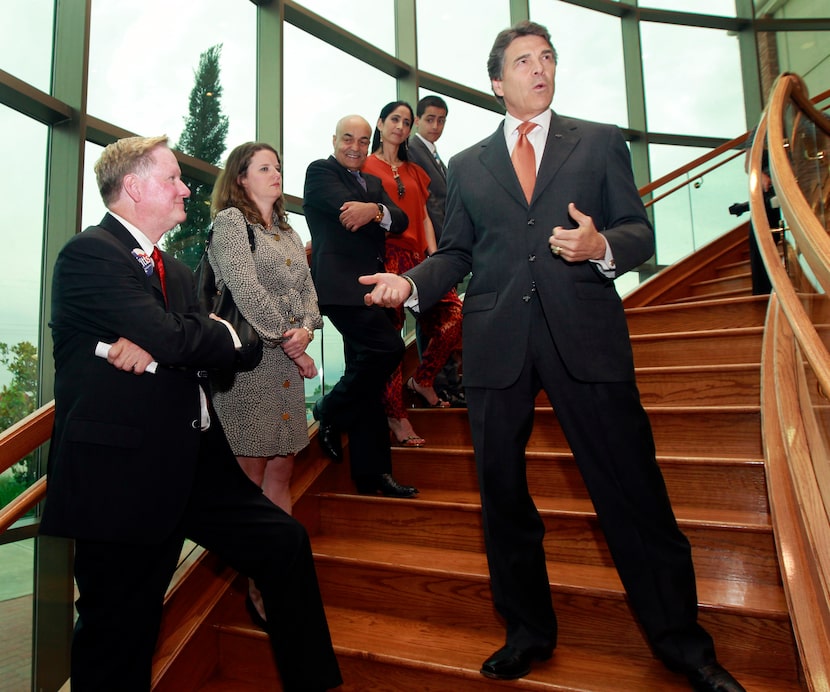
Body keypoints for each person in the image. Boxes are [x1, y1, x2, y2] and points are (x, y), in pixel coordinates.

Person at [359, 21, 744, 692]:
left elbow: (638, 232)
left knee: (633, 491)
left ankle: (684, 645)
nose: (539, 68)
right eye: (522, 61)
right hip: (497, 343)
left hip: (585, 336)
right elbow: (456, 250)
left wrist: (601, 248)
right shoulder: (471, 164)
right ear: (496, 82)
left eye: (546, 57)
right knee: (504, 498)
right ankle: (527, 632)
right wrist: (413, 284)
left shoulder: (596, 142)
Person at [40, 135, 341, 692]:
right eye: (172, 178)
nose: (186, 187)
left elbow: (234, 346)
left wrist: (176, 341)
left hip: (195, 462)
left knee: (284, 544)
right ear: (132, 187)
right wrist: (187, 338)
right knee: (119, 633)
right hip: (123, 481)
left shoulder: (176, 274)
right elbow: (184, 338)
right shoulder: (89, 254)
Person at [208, 141, 323, 625]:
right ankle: (258, 586)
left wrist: (304, 330)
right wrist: (289, 338)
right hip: (250, 365)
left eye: (278, 166)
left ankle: (281, 574)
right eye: (264, 167)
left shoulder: (290, 232)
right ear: (240, 179)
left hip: (286, 370)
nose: (276, 173)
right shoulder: (232, 224)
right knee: (249, 476)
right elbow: (243, 287)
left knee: (281, 473)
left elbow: (312, 298)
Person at [303, 115, 418, 498]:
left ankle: (373, 475)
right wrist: (374, 212)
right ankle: (330, 408)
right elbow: (344, 210)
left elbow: (400, 220)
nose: (355, 146)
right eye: (347, 138)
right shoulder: (320, 171)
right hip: (340, 288)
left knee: (369, 378)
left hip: (372, 286)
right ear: (334, 139)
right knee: (387, 349)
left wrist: (378, 212)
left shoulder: (372, 183)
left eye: (363, 140)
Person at [363, 101, 463, 446]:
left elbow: (422, 218)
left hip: (419, 260)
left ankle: (422, 380)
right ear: (380, 122)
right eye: (394, 119)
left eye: (406, 122)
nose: (400, 127)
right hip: (385, 260)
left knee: (454, 316)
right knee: (391, 341)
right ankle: (396, 416)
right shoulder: (364, 166)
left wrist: (436, 258)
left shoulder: (416, 171)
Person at [408, 95, 466, 407]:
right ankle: (434, 383)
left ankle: (443, 384)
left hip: (443, 250)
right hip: (429, 251)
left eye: (441, 120)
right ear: (417, 120)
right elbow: (423, 206)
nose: (435, 126)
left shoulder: (435, 155)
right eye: (429, 119)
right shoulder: (414, 150)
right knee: (440, 317)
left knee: (439, 318)